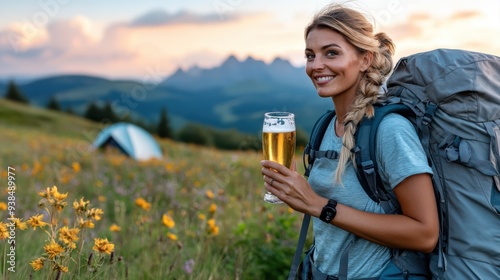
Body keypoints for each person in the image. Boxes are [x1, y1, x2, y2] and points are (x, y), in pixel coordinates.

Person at [260, 4, 439, 279]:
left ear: (365, 59)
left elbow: (425, 234)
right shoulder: (326, 125)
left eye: (331, 53)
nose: (316, 65)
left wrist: (317, 204)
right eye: (310, 55)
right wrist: (296, 191)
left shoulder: (389, 130)